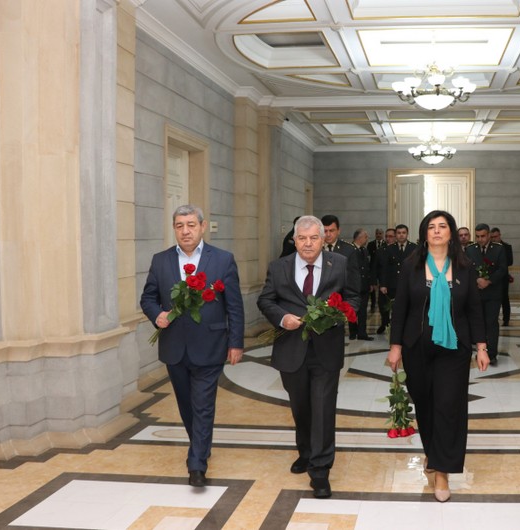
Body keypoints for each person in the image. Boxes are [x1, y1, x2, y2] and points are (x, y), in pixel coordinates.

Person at [386, 210, 489, 503]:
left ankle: (442, 470)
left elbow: (473, 309)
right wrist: (395, 346)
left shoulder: (465, 267)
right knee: (425, 403)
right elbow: (401, 308)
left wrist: (481, 347)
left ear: (452, 232)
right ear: (424, 233)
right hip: (417, 345)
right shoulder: (411, 266)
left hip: (453, 348)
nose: (437, 231)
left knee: (447, 405)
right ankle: (432, 453)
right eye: (431, 227)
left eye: (443, 226)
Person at [140, 204, 245, 488]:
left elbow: (234, 305)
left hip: (210, 344)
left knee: (203, 405)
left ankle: (196, 463)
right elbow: (148, 297)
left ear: (201, 226)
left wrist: (236, 342)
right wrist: (156, 314)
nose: (185, 231)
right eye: (179, 226)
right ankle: (201, 445)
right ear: (174, 229)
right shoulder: (160, 261)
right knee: (186, 405)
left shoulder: (222, 260)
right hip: (174, 346)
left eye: (190, 224)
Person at [257, 215, 360, 499]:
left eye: (314, 237)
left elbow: (353, 297)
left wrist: (338, 315)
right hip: (291, 349)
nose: (308, 243)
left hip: (326, 350)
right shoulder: (279, 267)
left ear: (324, 239)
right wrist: (281, 318)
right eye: (302, 238)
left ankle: (320, 470)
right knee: (301, 408)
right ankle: (306, 452)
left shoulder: (338, 263)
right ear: (294, 240)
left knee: (323, 409)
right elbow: (266, 300)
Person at [464, 223, 508, 365]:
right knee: (478, 323)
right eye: (477, 236)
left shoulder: (499, 249)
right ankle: (480, 351)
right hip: (476, 293)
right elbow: (466, 269)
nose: (480, 239)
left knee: (491, 323)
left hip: (493, 293)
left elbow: (502, 270)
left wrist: (488, 281)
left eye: (483, 236)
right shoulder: (470, 249)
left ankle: (492, 354)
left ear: (488, 235)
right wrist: (477, 279)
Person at [378, 224, 417, 334]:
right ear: (395, 235)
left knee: (409, 309)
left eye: (403, 233)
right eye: (399, 233)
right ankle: (395, 331)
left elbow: (418, 268)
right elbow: (384, 268)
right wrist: (383, 284)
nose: (401, 235)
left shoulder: (414, 248)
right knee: (395, 310)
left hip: (410, 284)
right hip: (393, 284)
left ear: (407, 234)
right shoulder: (389, 248)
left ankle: (409, 330)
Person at [351, 227, 374, 340]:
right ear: (360, 238)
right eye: (366, 236)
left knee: (363, 311)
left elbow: (367, 268)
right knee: (352, 310)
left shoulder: (364, 250)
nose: (367, 239)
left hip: (364, 286)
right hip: (353, 286)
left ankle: (362, 333)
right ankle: (352, 332)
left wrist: (369, 283)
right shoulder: (350, 250)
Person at [490, 227, 513, 326]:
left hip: (503, 277)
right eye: (492, 237)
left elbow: (510, 261)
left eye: (495, 236)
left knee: (504, 299)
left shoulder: (506, 247)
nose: (494, 239)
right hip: (491, 276)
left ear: (499, 235)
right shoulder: (490, 247)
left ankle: (506, 319)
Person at [375, 228, 396, 332]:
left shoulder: (399, 250)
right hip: (384, 283)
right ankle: (384, 323)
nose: (388, 238)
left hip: (397, 284)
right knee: (383, 306)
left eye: (391, 236)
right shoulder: (380, 251)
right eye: (386, 236)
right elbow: (376, 267)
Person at [366, 228, 385, 312]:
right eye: (377, 233)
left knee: (382, 286)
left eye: (380, 233)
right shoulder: (370, 244)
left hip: (382, 269)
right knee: (372, 287)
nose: (378, 235)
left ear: (383, 234)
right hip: (373, 268)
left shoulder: (386, 244)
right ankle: (373, 305)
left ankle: (382, 304)